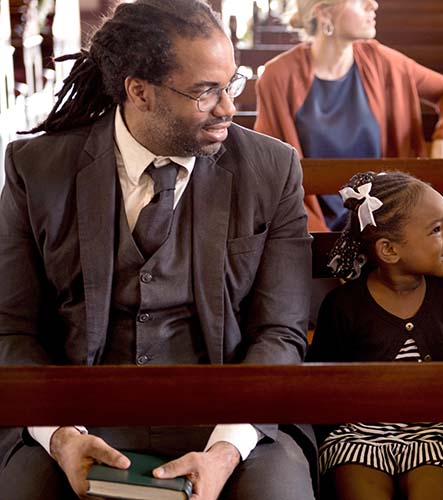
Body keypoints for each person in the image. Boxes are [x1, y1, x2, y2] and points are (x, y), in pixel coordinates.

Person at [0, 1, 316, 499]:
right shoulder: (37, 168)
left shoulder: (271, 170)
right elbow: (11, 329)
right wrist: (60, 436)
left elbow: (280, 331)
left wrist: (226, 449)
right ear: (139, 91)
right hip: (77, 417)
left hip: (231, 421)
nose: (229, 108)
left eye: (231, 84)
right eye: (205, 91)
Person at [306, 171, 443, 500]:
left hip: (432, 431)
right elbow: (323, 387)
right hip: (357, 433)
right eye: (436, 230)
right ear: (389, 250)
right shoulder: (343, 305)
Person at [253, 0, 443, 232]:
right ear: (324, 13)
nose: (373, 5)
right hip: (307, 228)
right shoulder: (277, 76)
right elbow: (270, 170)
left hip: (387, 227)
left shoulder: (383, 62)